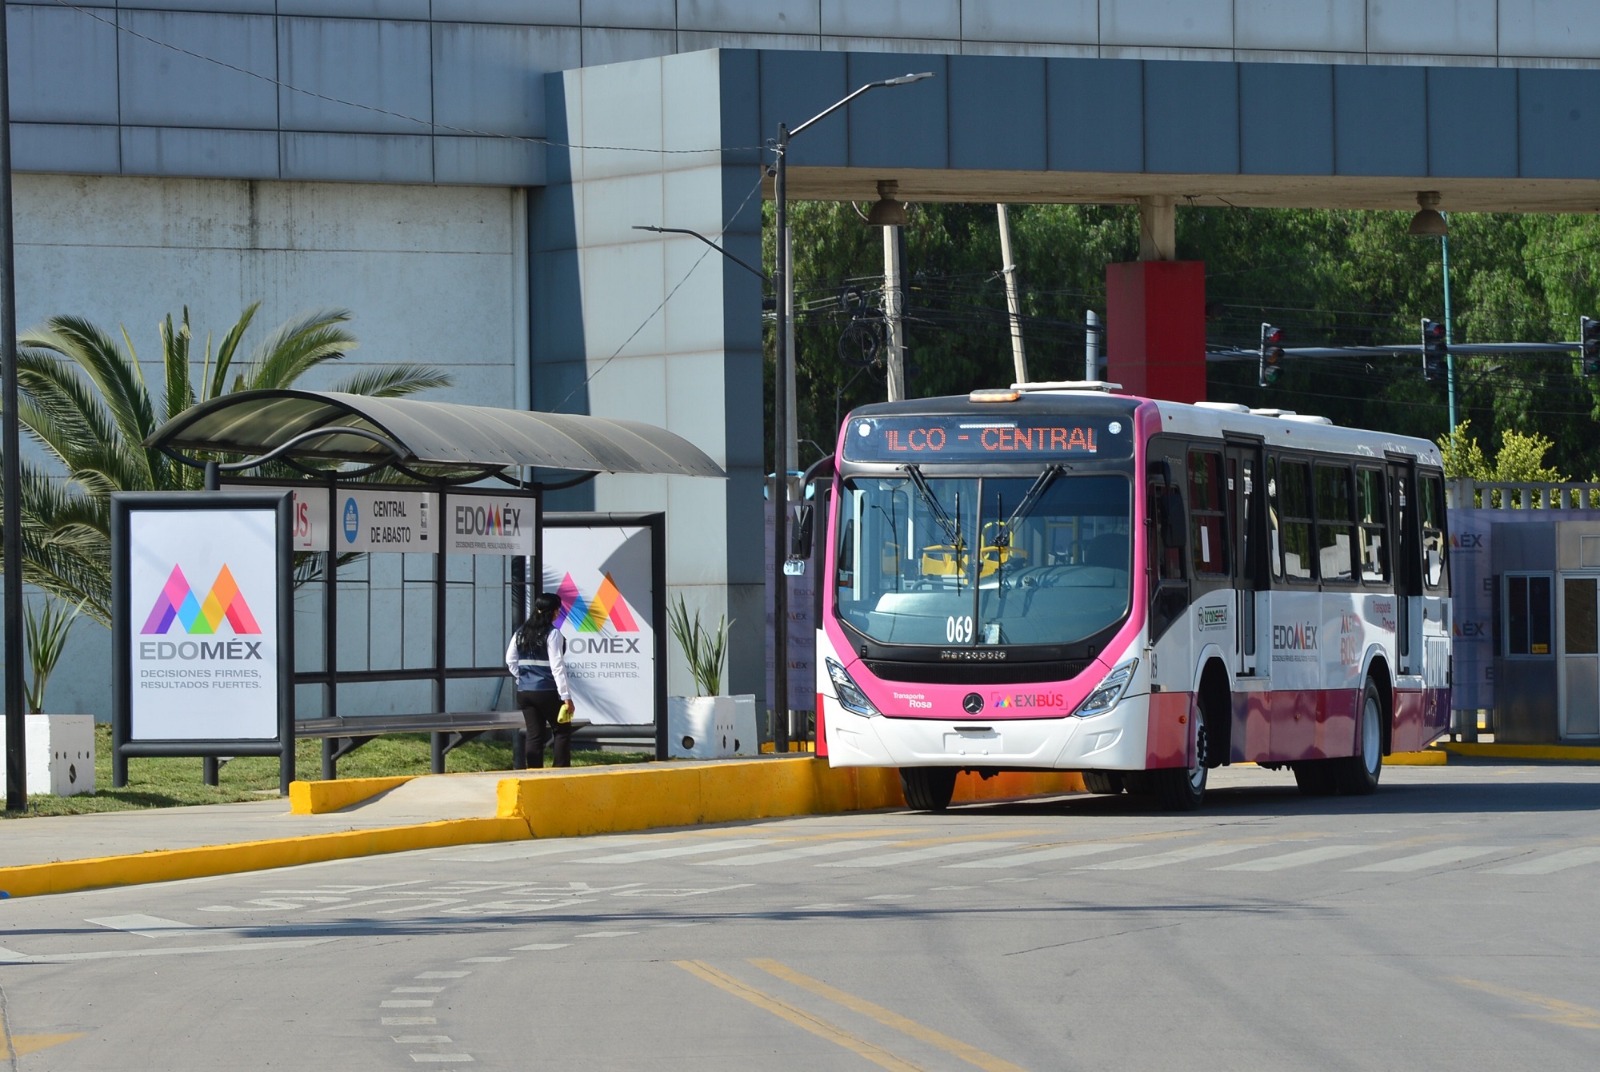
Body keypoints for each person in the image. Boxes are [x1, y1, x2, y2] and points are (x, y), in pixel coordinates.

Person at [505, 592, 575, 768]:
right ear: (554, 612)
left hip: (524, 692)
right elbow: (557, 666)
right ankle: (560, 771)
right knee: (562, 730)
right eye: (558, 610)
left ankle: (534, 773)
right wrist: (566, 696)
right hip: (547, 691)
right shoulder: (553, 634)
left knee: (534, 734)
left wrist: (523, 678)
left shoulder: (520, 633)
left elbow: (510, 660)